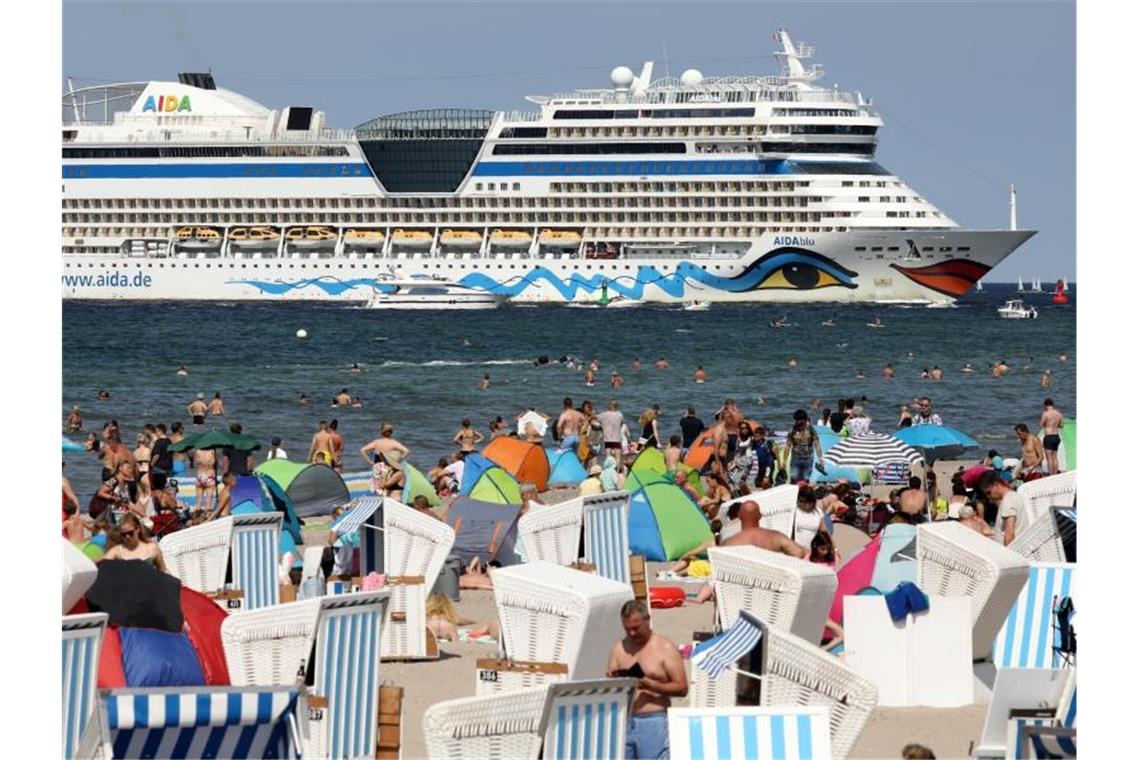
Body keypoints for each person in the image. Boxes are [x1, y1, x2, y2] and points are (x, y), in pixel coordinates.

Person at [606, 600, 688, 760]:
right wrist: (612, 680)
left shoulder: (664, 648)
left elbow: (682, 688)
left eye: (636, 628)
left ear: (647, 620)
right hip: (625, 719)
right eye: (627, 629)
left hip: (654, 719)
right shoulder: (619, 648)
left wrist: (651, 685)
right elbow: (610, 686)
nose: (632, 634)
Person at [721, 501, 807, 557]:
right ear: (760, 516)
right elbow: (799, 553)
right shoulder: (775, 536)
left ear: (739, 517)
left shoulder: (730, 542)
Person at [102, 513, 167, 571]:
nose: (127, 536)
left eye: (130, 533)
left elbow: (163, 570)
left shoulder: (151, 548)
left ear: (137, 529)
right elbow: (102, 563)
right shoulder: (117, 551)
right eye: (124, 534)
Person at [978, 470, 1027, 545]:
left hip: (1010, 550)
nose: (988, 497)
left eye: (989, 492)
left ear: (996, 485)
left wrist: (1007, 554)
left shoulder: (1007, 502)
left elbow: (1010, 533)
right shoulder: (1013, 495)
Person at [783, 410, 824, 483]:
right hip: (796, 457)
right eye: (796, 420)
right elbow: (788, 445)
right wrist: (784, 461)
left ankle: (803, 493)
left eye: (798, 420)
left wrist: (820, 458)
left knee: (805, 478)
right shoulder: (792, 430)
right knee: (794, 477)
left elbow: (817, 444)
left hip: (808, 457)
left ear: (804, 420)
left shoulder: (811, 429)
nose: (796, 422)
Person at [792, 486, 828, 552]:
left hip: (812, 551)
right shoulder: (794, 510)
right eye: (800, 501)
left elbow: (825, 532)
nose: (801, 503)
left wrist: (834, 549)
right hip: (795, 548)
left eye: (804, 501)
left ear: (811, 502)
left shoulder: (818, 511)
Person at [1040, 398, 1064, 475]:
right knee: (1055, 457)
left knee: (1049, 458)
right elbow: (1061, 425)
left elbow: (1041, 424)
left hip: (1049, 436)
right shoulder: (1059, 414)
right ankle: (1055, 474)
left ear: (1045, 405)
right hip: (1056, 436)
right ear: (1052, 405)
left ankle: (1051, 475)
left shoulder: (1045, 413)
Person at [193, 445, 217, 513]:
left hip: (200, 476)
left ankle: (197, 517)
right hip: (209, 476)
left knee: (198, 499)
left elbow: (195, 464)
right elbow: (214, 463)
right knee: (209, 499)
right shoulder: (212, 451)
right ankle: (207, 518)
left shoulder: (198, 451)